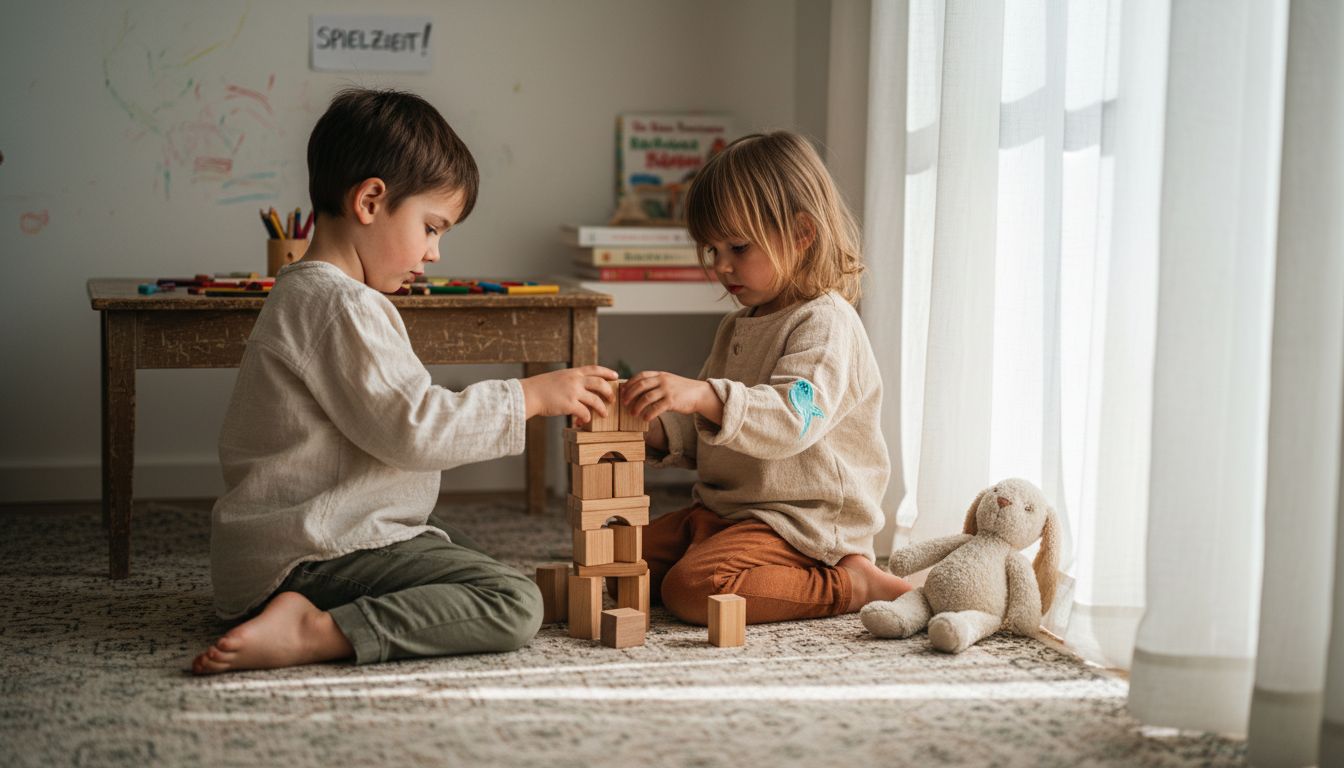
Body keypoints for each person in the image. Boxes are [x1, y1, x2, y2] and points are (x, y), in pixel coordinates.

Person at [192, 88, 617, 674]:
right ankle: (316, 629)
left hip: (291, 546)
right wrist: (530, 396)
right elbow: (414, 429)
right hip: (314, 552)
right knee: (514, 601)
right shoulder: (342, 305)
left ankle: (299, 610)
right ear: (370, 200)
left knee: (459, 554)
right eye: (432, 227)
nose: (436, 252)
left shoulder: (308, 292)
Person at [620, 131, 910, 625]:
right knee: (614, 557)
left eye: (737, 246)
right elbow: (713, 429)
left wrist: (702, 393)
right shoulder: (739, 323)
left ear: (801, 234)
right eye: (711, 250)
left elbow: (793, 418)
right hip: (728, 511)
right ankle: (715, 554)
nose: (721, 266)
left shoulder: (825, 321)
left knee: (694, 591)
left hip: (800, 522)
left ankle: (850, 581)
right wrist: (647, 422)